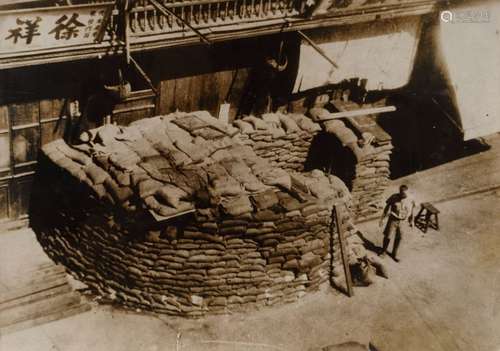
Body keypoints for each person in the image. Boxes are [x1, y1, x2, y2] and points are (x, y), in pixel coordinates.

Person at [378, 184, 415, 262]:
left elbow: (412, 210)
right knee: (387, 235)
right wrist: (382, 219)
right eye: (402, 193)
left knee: (399, 237)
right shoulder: (394, 197)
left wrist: (412, 221)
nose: (403, 195)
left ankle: (394, 254)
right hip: (393, 219)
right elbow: (387, 207)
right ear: (399, 192)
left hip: (403, 221)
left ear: (407, 192)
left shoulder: (411, 199)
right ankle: (384, 251)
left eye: (405, 193)